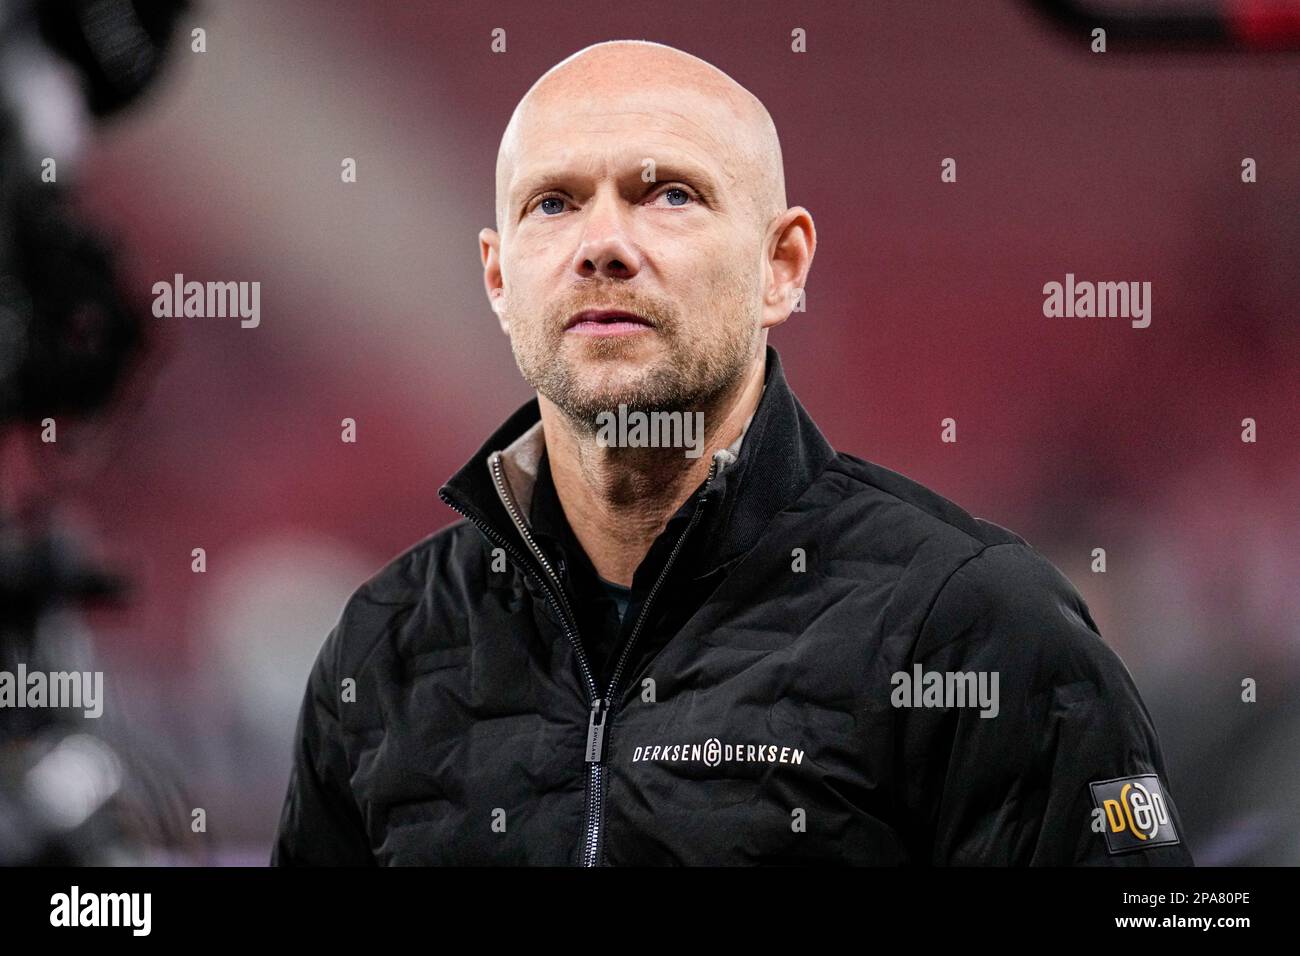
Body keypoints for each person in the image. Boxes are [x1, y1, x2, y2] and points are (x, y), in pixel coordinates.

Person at [271, 39, 1192, 866]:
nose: (603, 245)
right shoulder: (386, 645)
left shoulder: (973, 625)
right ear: (499, 275)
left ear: (781, 267)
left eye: (668, 193)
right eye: (553, 203)